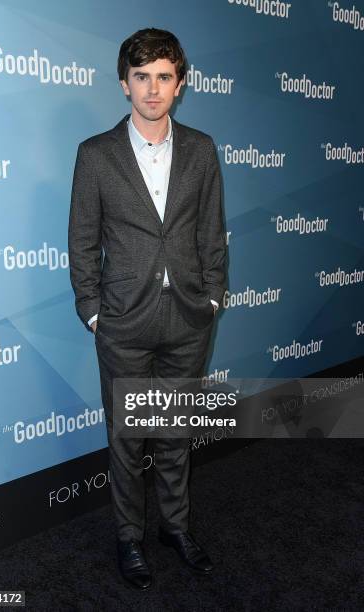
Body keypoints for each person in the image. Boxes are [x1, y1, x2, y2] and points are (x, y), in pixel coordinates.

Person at [68, 27, 226, 590]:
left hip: (187, 318)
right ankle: (129, 537)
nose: (152, 89)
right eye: (142, 77)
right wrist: (92, 311)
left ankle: (175, 528)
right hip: (124, 323)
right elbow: (83, 241)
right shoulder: (95, 155)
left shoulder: (203, 149)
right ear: (124, 84)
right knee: (128, 438)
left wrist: (211, 298)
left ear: (179, 84)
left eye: (163, 77)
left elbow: (211, 234)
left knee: (175, 432)